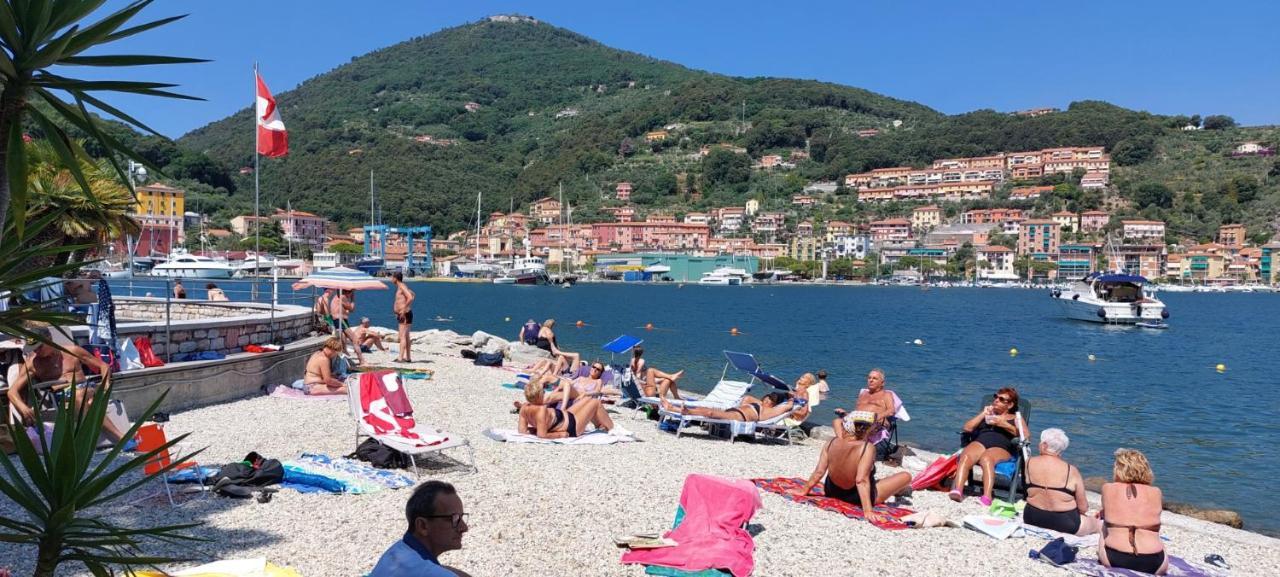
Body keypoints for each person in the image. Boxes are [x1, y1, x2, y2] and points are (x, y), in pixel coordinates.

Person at [6, 323, 125, 443]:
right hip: (62, 396)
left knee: (81, 396)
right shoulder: (33, 363)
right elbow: (12, 391)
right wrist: (23, 407)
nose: (36, 351)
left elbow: (103, 366)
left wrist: (106, 384)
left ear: (49, 339)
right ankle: (121, 438)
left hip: (87, 389)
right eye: (33, 349)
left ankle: (87, 439)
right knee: (87, 401)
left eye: (39, 347)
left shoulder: (73, 351)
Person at [790, 411, 911, 511]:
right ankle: (901, 490)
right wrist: (868, 511)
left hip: (831, 491)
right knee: (906, 476)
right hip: (855, 497)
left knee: (882, 481)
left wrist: (804, 491)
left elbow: (819, 472)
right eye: (874, 426)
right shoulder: (867, 447)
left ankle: (900, 491)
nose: (876, 429)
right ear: (866, 429)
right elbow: (861, 480)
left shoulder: (831, 442)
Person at [370, 480, 470, 577]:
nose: (464, 528)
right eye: (454, 518)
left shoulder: (397, 551)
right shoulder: (429, 572)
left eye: (461, 517)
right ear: (423, 526)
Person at [949, 387, 1027, 505]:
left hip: (1001, 447)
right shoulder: (987, 414)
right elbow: (967, 428)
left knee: (987, 459)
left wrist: (1003, 424)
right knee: (965, 456)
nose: (996, 400)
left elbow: (1025, 435)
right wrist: (983, 414)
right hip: (980, 442)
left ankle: (987, 497)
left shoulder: (1015, 418)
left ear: (1010, 405)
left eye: (1001, 399)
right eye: (995, 397)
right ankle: (958, 490)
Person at [1098, 449, 1167, 575]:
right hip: (1155, 563)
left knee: (1104, 524)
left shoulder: (1108, 488)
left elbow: (1110, 513)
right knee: (1154, 532)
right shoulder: (1156, 492)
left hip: (1115, 558)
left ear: (1119, 469)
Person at [1023, 428, 1101, 536]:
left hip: (1032, 517)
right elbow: (1083, 508)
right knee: (1096, 524)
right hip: (1065, 523)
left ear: (1044, 445)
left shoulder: (1029, 462)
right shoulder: (1071, 470)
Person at [518, 379, 631, 438]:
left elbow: (522, 430)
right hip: (572, 427)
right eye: (543, 391)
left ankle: (601, 426)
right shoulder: (541, 411)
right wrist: (559, 435)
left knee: (587, 399)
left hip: (565, 415)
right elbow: (542, 435)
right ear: (538, 395)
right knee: (595, 403)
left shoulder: (524, 408)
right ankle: (613, 428)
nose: (544, 392)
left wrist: (534, 429)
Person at [660, 392, 795, 423]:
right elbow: (747, 397)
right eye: (767, 397)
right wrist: (762, 401)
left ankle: (676, 409)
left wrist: (790, 395)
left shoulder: (770, 411)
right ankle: (673, 407)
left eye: (771, 400)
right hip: (733, 411)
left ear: (775, 404)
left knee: (710, 413)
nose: (767, 400)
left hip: (739, 417)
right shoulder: (760, 403)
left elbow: (788, 405)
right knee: (706, 409)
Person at [392, 271, 415, 362]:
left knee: (402, 336)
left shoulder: (401, 286)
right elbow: (413, 295)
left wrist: (403, 309)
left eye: (392, 277)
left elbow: (409, 297)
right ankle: (408, 357)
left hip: (404, 314)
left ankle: (400, 358)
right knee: (406, 336)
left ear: (395, 278)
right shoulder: (402, 286)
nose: (391, 279)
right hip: (405, 313)